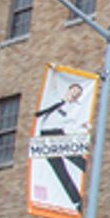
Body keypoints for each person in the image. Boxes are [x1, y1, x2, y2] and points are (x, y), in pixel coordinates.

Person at [35, 81, 90, 210]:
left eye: (77, 94)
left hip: (59, 134)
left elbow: (76, 123)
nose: (74, 95)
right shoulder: (56, 101)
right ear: (68, 90)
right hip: (46, 137)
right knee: (60, 171)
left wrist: (84, 126)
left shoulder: (75, 108)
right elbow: (41, 112)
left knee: (77, 159)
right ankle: (77, 201)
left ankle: (94, 175)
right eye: (73, 91)